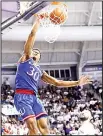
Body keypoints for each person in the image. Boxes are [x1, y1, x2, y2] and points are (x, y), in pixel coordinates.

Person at [14, 16, 91, 135]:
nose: (35, 52)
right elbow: (32, 35)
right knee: (33, 127)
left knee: (44, 127)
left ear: (39, 58)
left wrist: (77, 82)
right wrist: (38, 21)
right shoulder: (25, 58)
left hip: (34, 98)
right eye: (33, 50)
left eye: (38, 52)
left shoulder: (40, 70)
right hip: (22, 96)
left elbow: (57, 82)